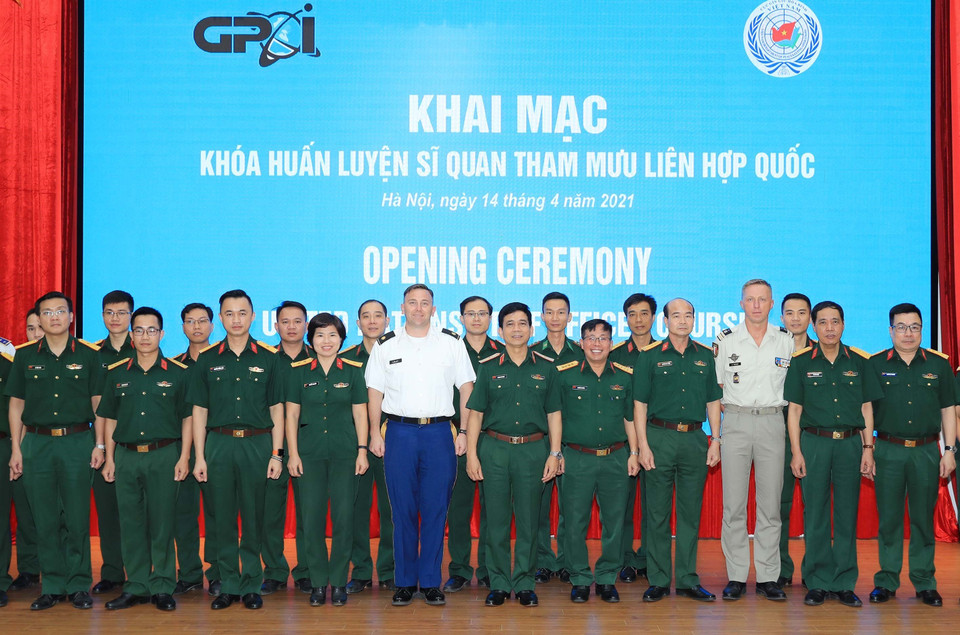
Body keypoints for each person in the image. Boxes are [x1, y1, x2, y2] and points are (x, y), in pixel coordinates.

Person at [365, 283, 475, 607]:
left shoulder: (451, 343)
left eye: (424, 303)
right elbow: (374, 391)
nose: (418, 308)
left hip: (440, 433)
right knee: (402, 511)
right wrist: (374, 432)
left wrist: (465, 430)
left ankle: (429, 582)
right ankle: (403, 582)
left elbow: (467, 387)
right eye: (412, 303)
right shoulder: (385, 345)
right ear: (402, 308)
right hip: (399, 433)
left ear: (433, 308)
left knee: (435, 510)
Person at [6, 291, 103, 610]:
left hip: (77, 441)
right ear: (40, 318)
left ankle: (78, 584)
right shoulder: (24, 356)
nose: (55, 317)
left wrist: (99, 444)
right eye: (47, 312)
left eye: (61, 311)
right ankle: (52, 585)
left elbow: (98, 404)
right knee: (43, 517)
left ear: (72, 317)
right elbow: (17, 403)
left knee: (76, 517)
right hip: (36, 442)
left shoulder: (90, 356)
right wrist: (17, 449)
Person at [189, 289, 285, 610]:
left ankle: (251, 583)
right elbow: (199, 410)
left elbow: (277, 409)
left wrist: (277, 453)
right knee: (222, 518)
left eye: (242, 313)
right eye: (229, 314)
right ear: (221, 319)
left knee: (254, 516)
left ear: (253, 316)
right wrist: (200, 456)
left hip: (258, 444)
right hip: (219, 444)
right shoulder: (207, 359)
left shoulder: (270, 358)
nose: (236, 319)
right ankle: (228, 583)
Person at [784, 300, 882, 608]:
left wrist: (869, 448)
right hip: (814, 443)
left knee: (845, 514)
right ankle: (816, 580)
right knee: (815, 515)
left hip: (851, 444)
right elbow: (794, 411)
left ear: (843, 325)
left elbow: (866, 407)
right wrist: (796, 452)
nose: (829, 328)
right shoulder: (800, 362)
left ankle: (843, 582)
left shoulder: (860, 361)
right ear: (814, 326)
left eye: (835, 322)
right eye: (823, 322)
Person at [465, 302, 561, 607]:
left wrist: (555, 453)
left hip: (534, 451)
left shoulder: (546, 368)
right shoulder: (489, 367)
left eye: (522, 323)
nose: (516, 329)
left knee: (529, 521)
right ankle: (499, 583)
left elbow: (554, 414)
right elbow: (475, 414)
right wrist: (471, 456)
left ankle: (524, 582)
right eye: (510, 324)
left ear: (532, 330)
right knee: (496, 520)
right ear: (501, 330)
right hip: (494, 449)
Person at [97, 307, 192, 611]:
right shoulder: (116, 374)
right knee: (131, 523)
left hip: (165, 455)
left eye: (152, 330)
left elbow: (188, 418)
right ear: (131, 335)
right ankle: (136, 585)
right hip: (126, 456)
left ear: (162, 334)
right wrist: (109, 457)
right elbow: (109, 418)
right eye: (138, 330)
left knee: (163, 523)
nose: (145, 336)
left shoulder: (179, 373)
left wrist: (185, 456)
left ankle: (163, 585)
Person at [867, 303, 957, 607]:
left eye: (914, 327)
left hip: (926, 453)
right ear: (891, 330)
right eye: (901, 327)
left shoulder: (939, 364)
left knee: (921, 519)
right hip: (888, 450)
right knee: (889, 521)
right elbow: (866, 411)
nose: (908, 333)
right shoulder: (875, 364)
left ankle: (924, 582)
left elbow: (948, 410)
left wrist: (949, 450)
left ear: (922, 329)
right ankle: (887, 581)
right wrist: (869, 449)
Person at [632, 298, 721, 603]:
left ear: (694, 319)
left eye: (688, 315)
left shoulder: (706, 356)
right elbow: (639, 404)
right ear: (665, 321)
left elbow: (713, 401)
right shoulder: (649, 356)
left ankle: (686, 579)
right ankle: (658, 579)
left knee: (689, 513)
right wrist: (642, 445)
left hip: (695, 439)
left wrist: (716, 440)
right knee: (656, 513)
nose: (683, 321)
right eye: (676, 316)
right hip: (659, 438)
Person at [713, 280, 793, 601]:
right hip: (735, 421)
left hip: (774, 422)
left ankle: (767, 577)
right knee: (733, 506)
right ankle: (735, 576)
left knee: (770, 506)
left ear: (772, 304)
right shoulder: (725, 341)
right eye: (751, 299)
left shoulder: (786, 342)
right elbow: (716, 390)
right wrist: (716, 436)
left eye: (763, 300)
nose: (757, 305)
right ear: (741, 303)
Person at [286, 312, 369, 607]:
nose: (326, 341)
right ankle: (319, 583)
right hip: (309, 455)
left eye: (333, 335)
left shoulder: (353, 370)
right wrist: (292, 453)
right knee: (312, 519)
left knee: (344, 519)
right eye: (320, 335)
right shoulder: (298, 371)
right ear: (311, 339)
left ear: (342, 339)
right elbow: (291, 414)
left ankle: (338, 582)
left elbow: (360, 412)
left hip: (346, 453)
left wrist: (362, 450)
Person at [559, 318, 639, 604]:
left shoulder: (625, 376)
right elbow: (555, 418)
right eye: (591, 338)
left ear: (611, 343)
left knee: (614, 522)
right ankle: (579, 578)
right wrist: (557, 453)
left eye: (603, 338)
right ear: (581, 343)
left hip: (615, 458)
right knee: (574, 522)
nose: (596, 344)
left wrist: (634, 453)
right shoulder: (565, 376)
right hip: (577, 458)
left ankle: (607, 578)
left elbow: (630, 418)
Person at [443, 295, 498, 593]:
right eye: (470, 314)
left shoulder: (504, 352)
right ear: (461, 318)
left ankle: (490, 567)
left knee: (494, 509)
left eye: (482, 313)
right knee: (458, 509)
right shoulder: (448, 351)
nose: (476, 319)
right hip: (457, 441)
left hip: (493, 442)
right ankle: (460, 569)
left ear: (491, 317)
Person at [532, 291, 583, 584]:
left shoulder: (581, 352)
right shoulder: (531, 351)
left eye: (561, 312)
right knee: (538, 505)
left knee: (571, 505)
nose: (555, 318)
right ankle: (542, 561)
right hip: (540, 440)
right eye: (549, 312)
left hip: (573, 440)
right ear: (541, 316)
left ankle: (566, 560)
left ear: (570, 316)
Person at [261, 301, 312, 596]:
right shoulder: (266, 359)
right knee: (271, 511)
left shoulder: (319, 356)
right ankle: (275, 570)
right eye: (285, 321)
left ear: (306, 325)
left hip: (310, 442)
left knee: (308, 511)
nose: (291, 326)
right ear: (276, 325)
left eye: (297, 321)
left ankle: (305, 570)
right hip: (271, 444)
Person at [344, 299, 395, 594]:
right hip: (354, 446)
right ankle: (361, 570)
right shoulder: (346, 358)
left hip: (393, 443)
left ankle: (389, 569)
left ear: (388, 321)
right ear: (357, 323)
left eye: (378, 316)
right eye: (366, 316)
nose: (372, 321)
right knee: (355, 509)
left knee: (392, 510)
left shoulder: (399, 353)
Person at [171, 303, 219, 596]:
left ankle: (218, 572)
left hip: (216, 445)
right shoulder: (174, 366)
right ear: (183, 327)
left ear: (213, 326)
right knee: (182, 513)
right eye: (190, 321)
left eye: (203, 321)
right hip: (180, 450)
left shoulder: (221, 361)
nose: (197, 326)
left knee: (217, 512)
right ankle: (188, 572)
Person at [609, 293, 657, 584]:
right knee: (623, 504)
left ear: (653, 317)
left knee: (654, 505)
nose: (638, 320)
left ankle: (650, 559)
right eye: (632, 314)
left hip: (657, 438)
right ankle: (625, 560)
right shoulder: (614, 354)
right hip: (623, 442)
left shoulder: (665, 351)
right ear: (625, 318)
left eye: (644, 313)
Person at [91, 290, 136, 595]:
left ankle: (140, 570)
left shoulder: (146, 348)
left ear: (131, 315)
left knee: (138, 510)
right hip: (101, 440)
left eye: (121, 312)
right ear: (103, 315)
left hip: (137, 438)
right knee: (108, 509)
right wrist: (101, 446)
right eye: (110, 312)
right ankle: (111, 572)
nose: (115, 318)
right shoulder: (92, 354)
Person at [777, 292, 814, 588]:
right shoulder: (772, 351)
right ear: (781, 318)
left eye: (802, 313)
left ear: (810, 317)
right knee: (778, 506)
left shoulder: (822, 353)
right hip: (776, 437)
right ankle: (780, 569)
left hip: (814, 438)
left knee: (814, 506)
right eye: (790, 313)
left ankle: (814, 570)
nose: (796, 319)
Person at [6, 309, 42, 593]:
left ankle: (55, 568)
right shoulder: (16, 358)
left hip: (37, 442)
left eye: (40, 327)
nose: (36, 333)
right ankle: (28, 568)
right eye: (31, 328)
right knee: (22, 513)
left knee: (37, 509)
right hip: (15, 443)